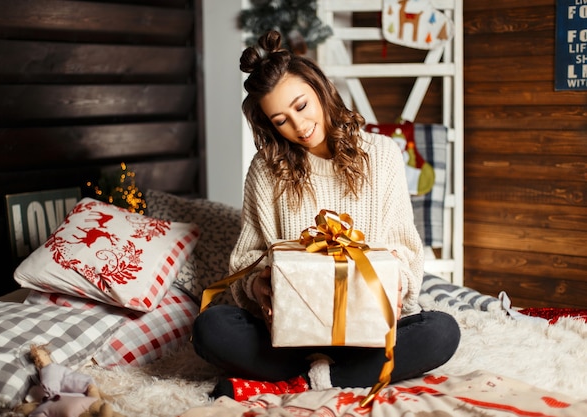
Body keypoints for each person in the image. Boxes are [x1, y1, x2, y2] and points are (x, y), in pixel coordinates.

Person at [191, 30, 460, 402]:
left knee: (442, 331)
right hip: (289, 334)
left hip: (366, 332)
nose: (298, 127)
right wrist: (259, 286)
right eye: (281, 120)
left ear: (321, 89)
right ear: (269, 124)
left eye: (301, 106)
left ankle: (301, 381)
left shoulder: (382, 154)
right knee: (210, 328)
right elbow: (248, 258)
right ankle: (338, 378)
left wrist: (395, 283)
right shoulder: (265, 169)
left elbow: (404, 246)